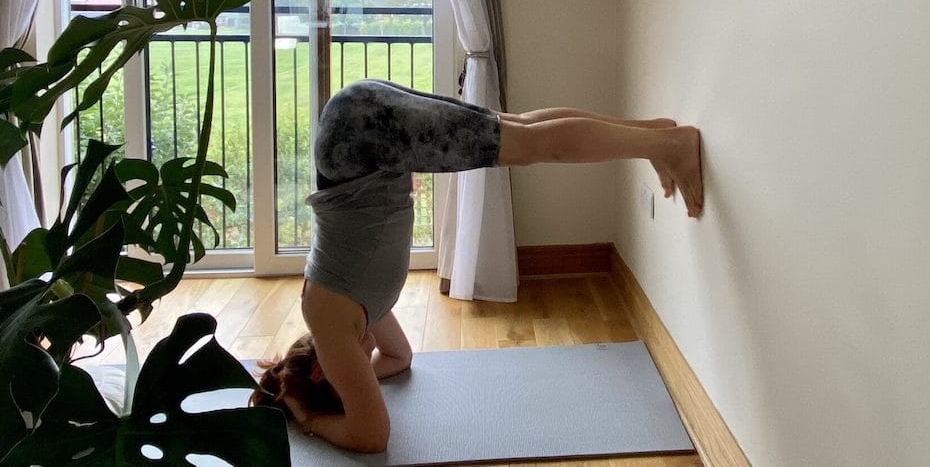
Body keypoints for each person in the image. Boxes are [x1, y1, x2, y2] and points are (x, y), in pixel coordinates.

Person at [251, 79, 702, 452]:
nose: (362, 360)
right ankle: (654, 134)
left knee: (528, 145)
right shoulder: (352, 311)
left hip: (362, 136)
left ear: (318, 371)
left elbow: (371, 436)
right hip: (358, 129)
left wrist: (309, 419)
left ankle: (667, 144)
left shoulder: (332, 323)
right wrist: (343, 384)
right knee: (518, 128)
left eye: (340, 386)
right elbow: (399, 358)